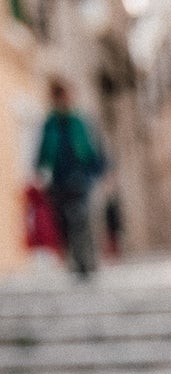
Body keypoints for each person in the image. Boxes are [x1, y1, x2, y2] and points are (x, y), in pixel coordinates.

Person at [35, 80, 106, 279]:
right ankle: (74, 261)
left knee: (81, 219)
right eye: (60, 97)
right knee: (64, 222)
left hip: (80, 177)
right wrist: (40, 172)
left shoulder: (80, 121)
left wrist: (97, 171)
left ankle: (86, 261)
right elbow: (42, 151)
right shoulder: (50, 124)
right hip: (58, 180)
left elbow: (94, 148)